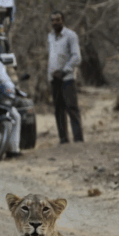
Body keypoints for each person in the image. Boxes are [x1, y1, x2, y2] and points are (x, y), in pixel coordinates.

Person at [47, 10, 84, 144]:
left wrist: (64, 71)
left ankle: (78, 139)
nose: (55, 22)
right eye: (53, 20)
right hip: (54, 78)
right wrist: (51, 74)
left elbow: (76, 57)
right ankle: (63, 139)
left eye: (58, 20)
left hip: (67, 77)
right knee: (58, 109)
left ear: (63, 20)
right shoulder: (50, 36)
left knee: (71, 107)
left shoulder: (71, 36)